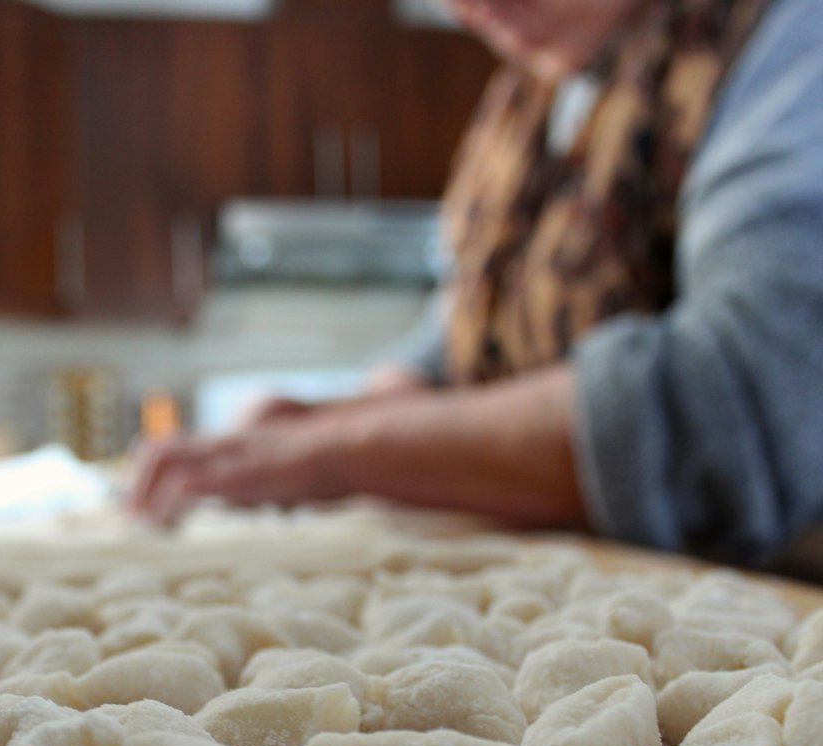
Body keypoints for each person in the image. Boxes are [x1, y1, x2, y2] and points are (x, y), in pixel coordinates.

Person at [131, 0, 823, 571]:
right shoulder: (538, 90)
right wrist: (354, 408)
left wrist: (338, 453)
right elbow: (476, 326)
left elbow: (745, 394)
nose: (469, 9)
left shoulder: (787, 41)